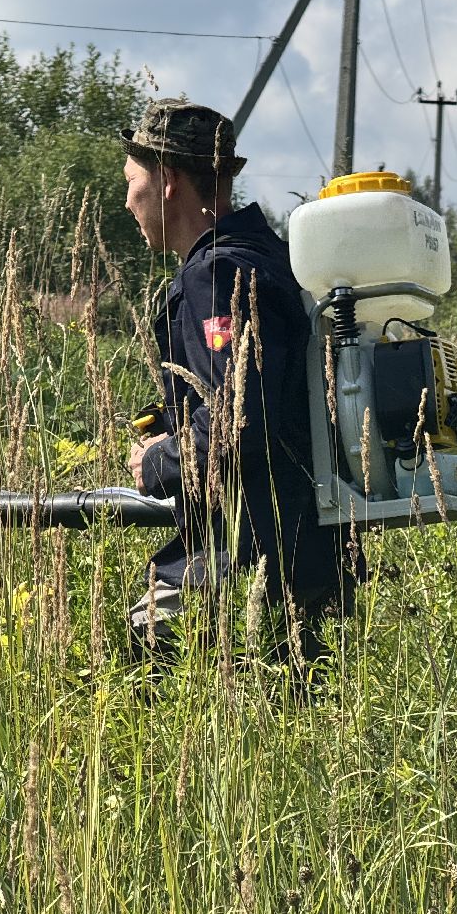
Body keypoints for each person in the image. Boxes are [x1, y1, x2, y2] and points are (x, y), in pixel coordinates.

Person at [119, 98, 356, 669]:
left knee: (152, 654)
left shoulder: (218, 273)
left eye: (133, 182)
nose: (128, 200)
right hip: (314, 549)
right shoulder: (270, 257)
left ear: (169, 180)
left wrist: (158, 462)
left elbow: (239, 415)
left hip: (249, 556)